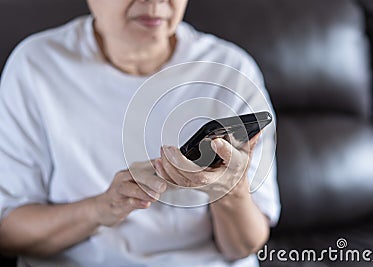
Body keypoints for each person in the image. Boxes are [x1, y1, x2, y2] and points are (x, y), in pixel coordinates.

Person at [0, 0, 280, 266]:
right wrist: (99, 209)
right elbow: (9, 232)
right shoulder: (36, 66)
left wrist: (229, 192)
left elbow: (244, 246)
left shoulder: (231, 70)